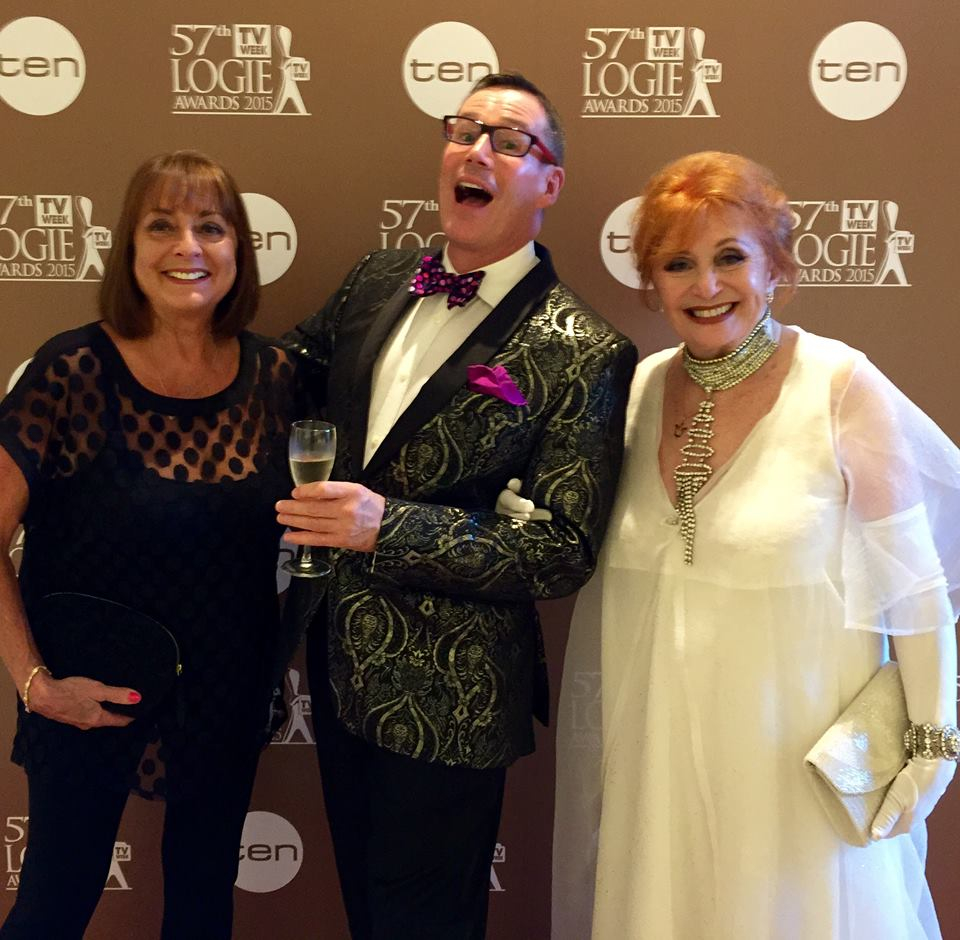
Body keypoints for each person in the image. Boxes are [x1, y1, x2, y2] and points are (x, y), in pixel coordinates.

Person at [551, 151, 960, 939]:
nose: (706, 287)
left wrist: (933, 741)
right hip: (660, 780)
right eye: (680, 264)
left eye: (730, 257)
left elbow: (915, 586)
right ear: (653, 285)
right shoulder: (635, 392)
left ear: (776, 267)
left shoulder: (840, 385)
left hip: (796, 784)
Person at [277, 72, 637, 939]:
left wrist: (384, 524)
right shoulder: (377, 279)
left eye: (508, 141)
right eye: (463, 129)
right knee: (367, 913)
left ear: (548, 183)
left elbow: (561, 549)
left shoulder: (584, 349)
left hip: (453, 698)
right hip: (333, 663)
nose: (476, 149)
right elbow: (286, 375)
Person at [0, 151, 305, 938]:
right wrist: (35, 683)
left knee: (203, 911)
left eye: (212, 227)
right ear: (129, 248)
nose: (188, 247)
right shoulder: (68, 373)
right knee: (50, 912)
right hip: (86, 696)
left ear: (240, 249)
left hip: (226, 697)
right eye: (162, 225)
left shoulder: (280, 380)